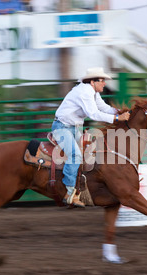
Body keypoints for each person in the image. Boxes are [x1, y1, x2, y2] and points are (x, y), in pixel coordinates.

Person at [52, 67, 130, 207]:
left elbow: (104, 108)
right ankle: (69, 192)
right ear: (93, 81)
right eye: (102, 81)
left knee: (89, 154)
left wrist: (122, 112)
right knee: (75, 156)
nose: (104, 84)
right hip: (62, 128)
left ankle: (81, 189)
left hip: (73, 128)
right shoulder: (85, 92)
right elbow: (94, 114)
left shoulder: (92, 92)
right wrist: (118, 118)